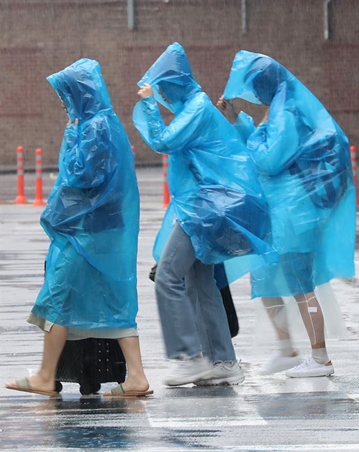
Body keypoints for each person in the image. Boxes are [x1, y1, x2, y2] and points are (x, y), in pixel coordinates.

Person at [5, 58, 151, 397]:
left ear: (80, 93)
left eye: (65, 94)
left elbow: (83, 178)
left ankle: (45, 376)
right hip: (103, 231)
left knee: (58, 295)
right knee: (113, 301)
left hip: (87, 233)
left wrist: (71, 135)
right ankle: (138, 377)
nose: (62, 102)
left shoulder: (93, 128)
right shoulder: (104, 122)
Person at [133, 43, 275, 387]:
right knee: (200, 282)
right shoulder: (194, 108)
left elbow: (163, 142)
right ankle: (222, 362)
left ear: (175, 83)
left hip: (207, 206)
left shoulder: (196, 108)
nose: (163, 94)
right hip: (210, 204)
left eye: (164, 87)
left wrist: (149, 104)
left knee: (168, 276)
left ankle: (188, 357)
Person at [219, 50, 356, 378]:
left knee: (299, 284)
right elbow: (264, 147)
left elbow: (268, 159)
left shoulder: (287, 113)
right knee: (264, 275)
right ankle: (287, 349)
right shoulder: (279, 107)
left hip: (293, 213)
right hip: (280, 210)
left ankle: (320, 358)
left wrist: (244, 141)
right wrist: (237, 120)